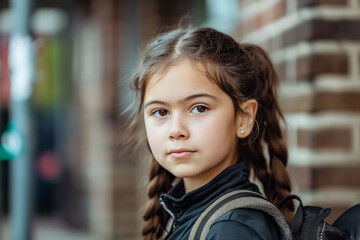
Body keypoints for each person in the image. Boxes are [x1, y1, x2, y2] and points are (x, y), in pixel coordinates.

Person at [130, 26, 293, 240]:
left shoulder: (233, 230)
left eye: (199, 108)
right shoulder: (194, 214)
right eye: (161, 112)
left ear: (244, 117)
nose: (176, 130)